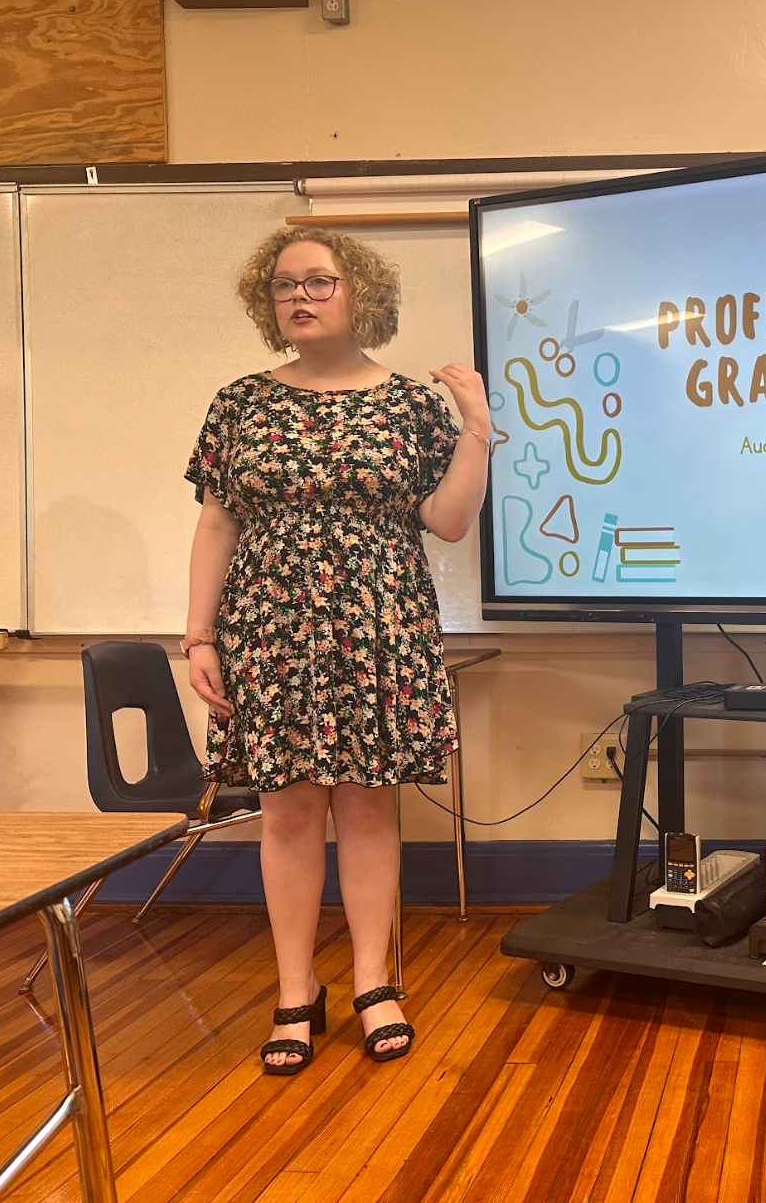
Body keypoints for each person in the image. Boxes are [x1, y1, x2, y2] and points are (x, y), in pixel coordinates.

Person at [182, 227, 490, 1075]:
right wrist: (200, 635)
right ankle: (293, 990)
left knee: (365, 804)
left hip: (378, 624)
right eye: (284, 286)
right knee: (285, 809)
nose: (300, 297)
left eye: (319, 282)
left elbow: (450, 522)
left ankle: (370, 982)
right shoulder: (239, 402)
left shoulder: (409, 404)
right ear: (267, 302)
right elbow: (216, 520)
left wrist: (476, 429)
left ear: (360, 295)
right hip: (268, 628)